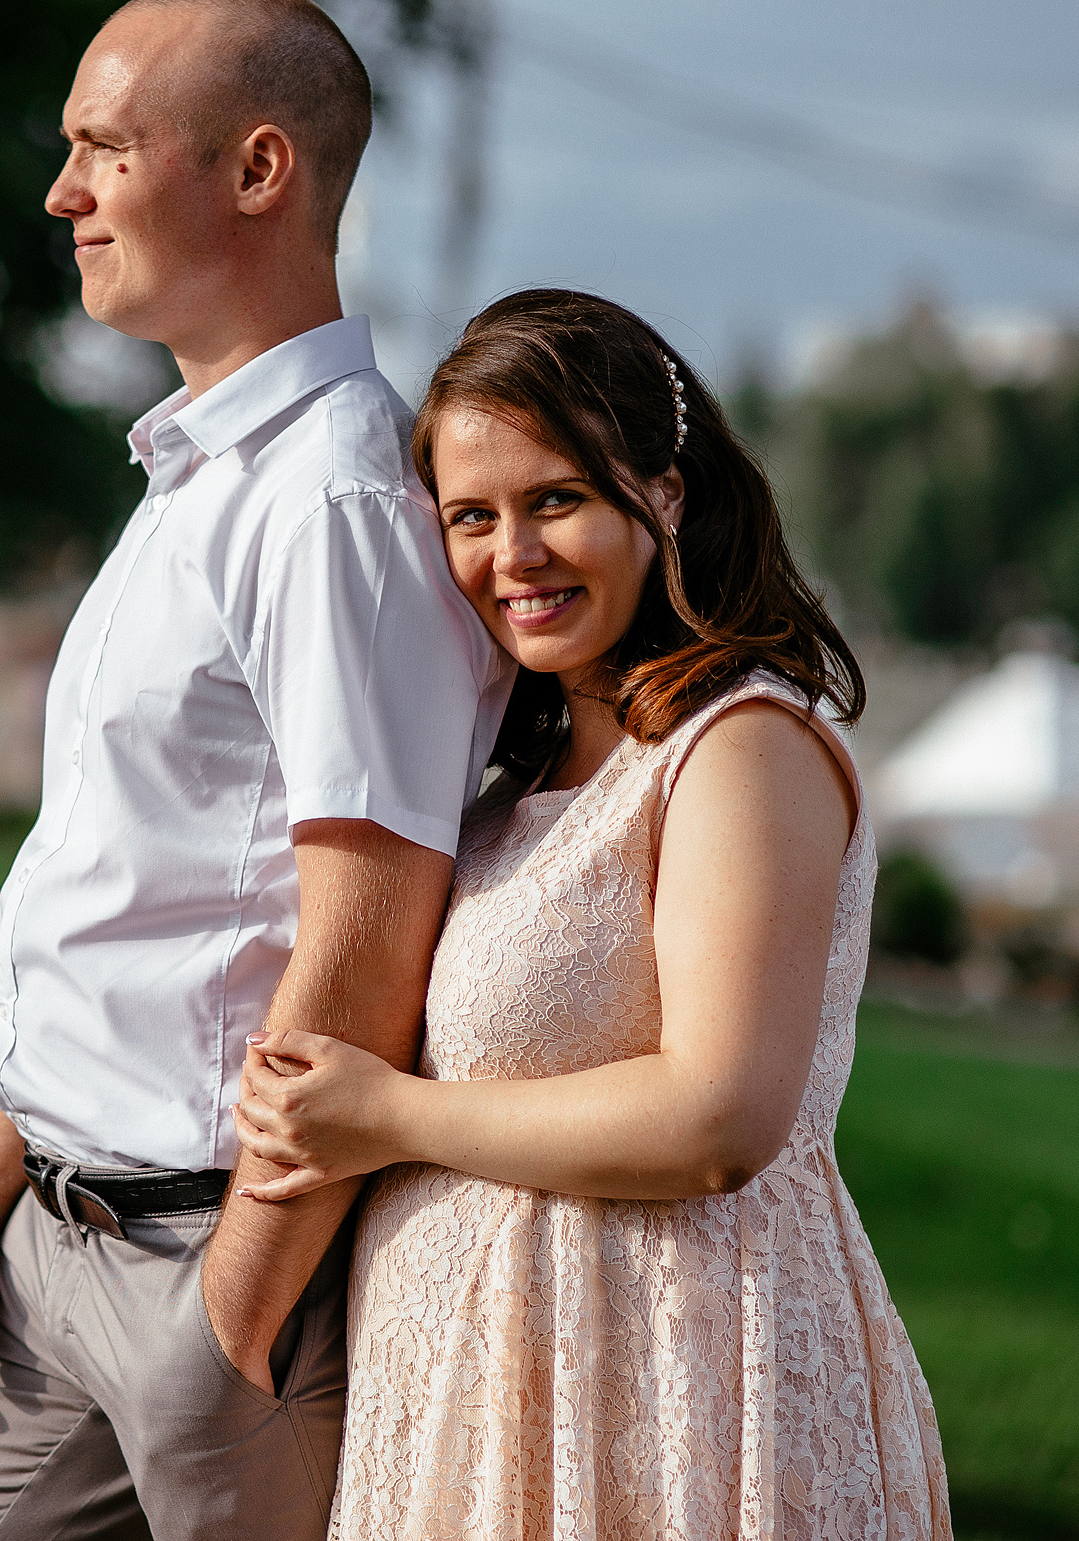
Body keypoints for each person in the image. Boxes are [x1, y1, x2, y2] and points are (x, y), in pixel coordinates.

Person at [0, 0, 510, 1541]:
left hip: (213, 1274)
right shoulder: (195, 476)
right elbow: (119, 901)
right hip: (38, 1254)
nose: (60, 190)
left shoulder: (332, 506)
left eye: (103, 146)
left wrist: (237, 1312)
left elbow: (369, 933)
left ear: (259, 169)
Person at [232, 289, 955, 1539]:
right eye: (471, 516)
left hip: (669, 1384)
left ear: (662, 496)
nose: (510, 555)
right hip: (478, 1395)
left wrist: (387, 1114)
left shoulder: (738, 748)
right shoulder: (515, 783)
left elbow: (719, 1115)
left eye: (554, 499)